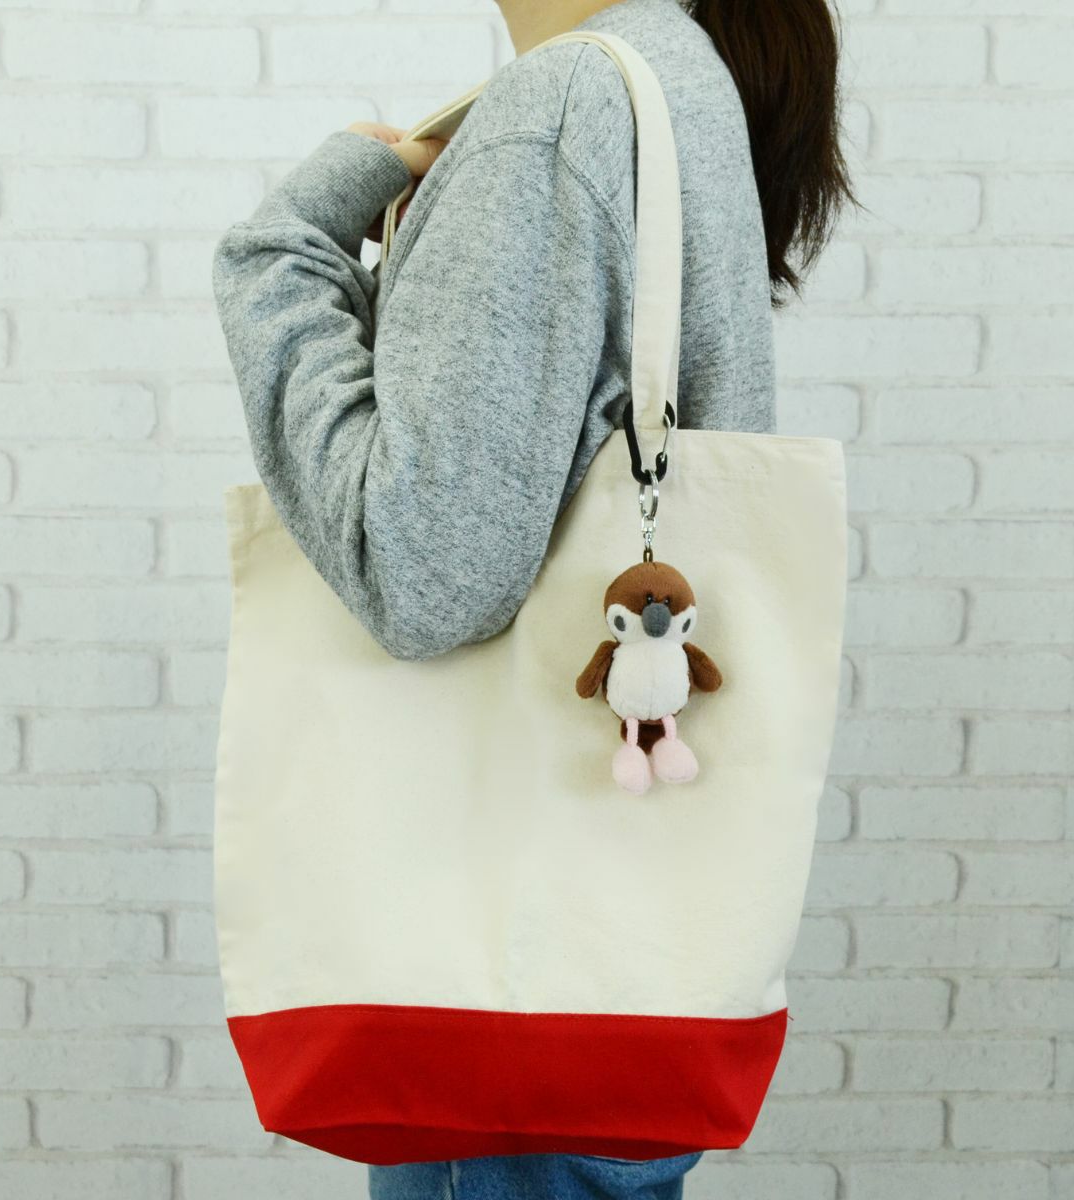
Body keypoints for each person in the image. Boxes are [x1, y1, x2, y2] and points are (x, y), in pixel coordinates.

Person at [212, 0, 852, 1194]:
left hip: (503, 1010)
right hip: (611, 967)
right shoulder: (670, 71)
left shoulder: (563, 107)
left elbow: (420, 576)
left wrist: (284, 253)